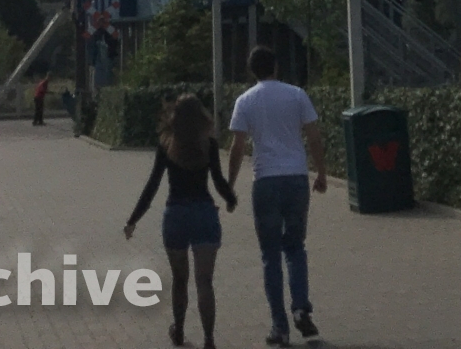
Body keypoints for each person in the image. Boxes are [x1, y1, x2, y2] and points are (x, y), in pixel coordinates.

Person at [226, 46, 325, 346]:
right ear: (276, 67)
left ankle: (279, 327)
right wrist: (321, 172)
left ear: (251, 70)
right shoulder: (297, 95)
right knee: (295, 247)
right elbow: (313, 137)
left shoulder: (245, 101)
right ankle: (301, 307)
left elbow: (237, 147)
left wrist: (229, 185)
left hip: (265, 180)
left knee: (270, 255)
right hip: (296, 178)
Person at [125, 93, 237, 348]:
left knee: (180, 281)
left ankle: (179, 331)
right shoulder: (208, 144)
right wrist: (231, 199)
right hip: (204, 214)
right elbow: (218, 180)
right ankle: (209, 339)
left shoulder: (166, 145)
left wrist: (133, 220)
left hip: (175, 215)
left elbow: (152, 185)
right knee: (205, 282)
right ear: (201, 117)